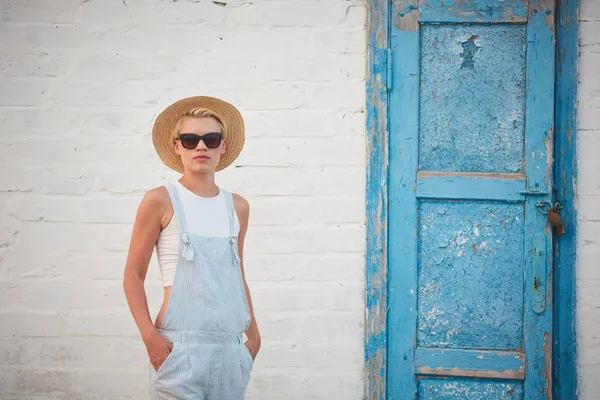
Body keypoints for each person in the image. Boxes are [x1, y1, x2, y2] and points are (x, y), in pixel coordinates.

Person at [123, 96, 260, 399]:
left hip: (230, 350)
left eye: (211, 139)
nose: (201, 147)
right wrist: (150, 338)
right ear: (177, 146)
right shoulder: (161, 199)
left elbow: (237, 275)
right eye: (190, 139)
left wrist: (253, 335)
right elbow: (133, 275)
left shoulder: (237, 207)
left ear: (222, 146)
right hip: (178, 349)